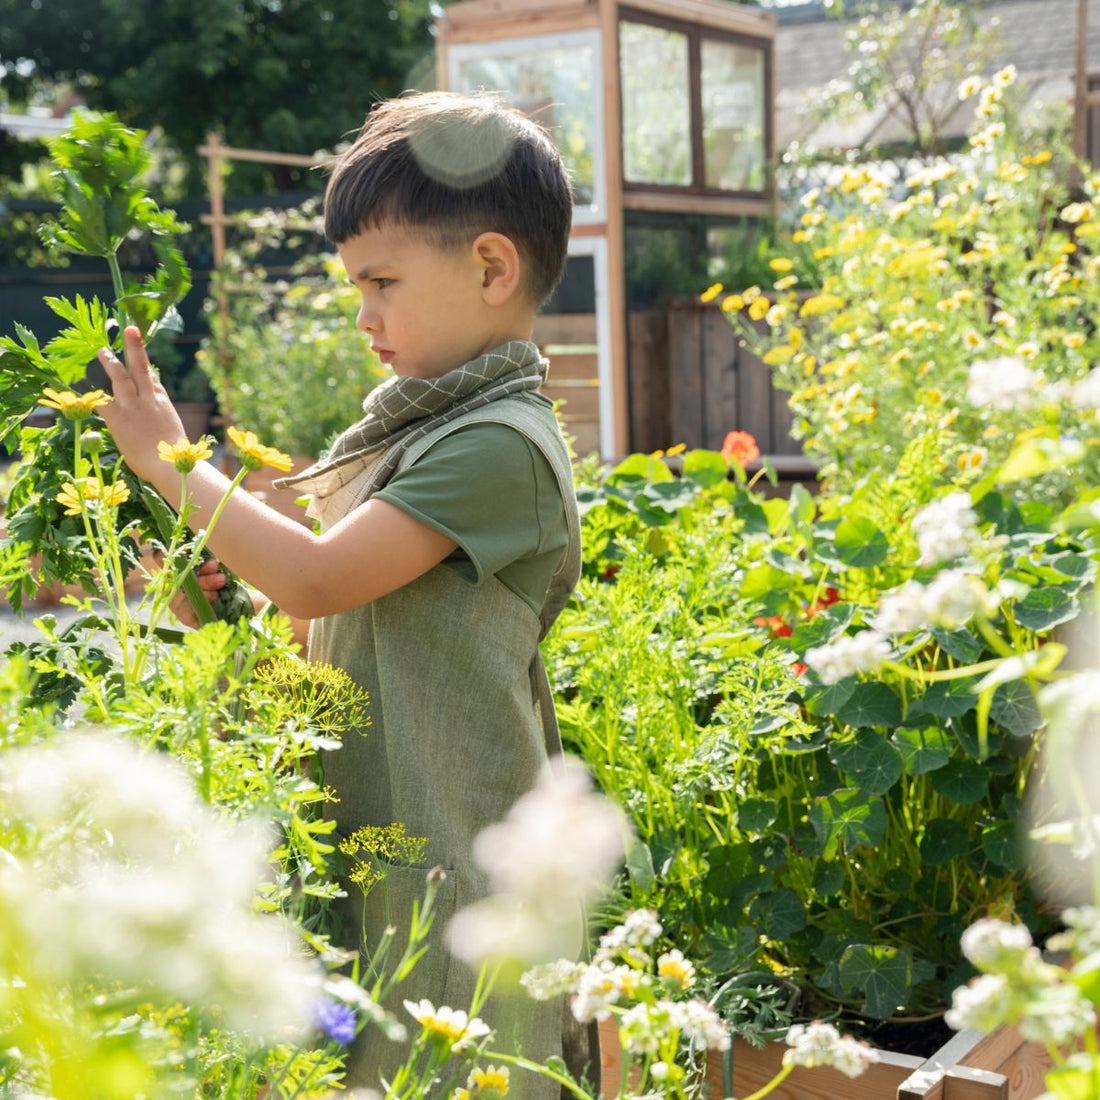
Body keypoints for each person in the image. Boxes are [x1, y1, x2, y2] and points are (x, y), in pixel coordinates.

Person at [98, 91, 594, 1097]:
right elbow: (316, 625)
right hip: (375, 842)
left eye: (382, 280)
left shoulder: (498, 444)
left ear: (491, 267)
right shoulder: (413, 437)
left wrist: (171, 466)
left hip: (459, 866)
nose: (363, 313)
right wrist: (212, 602)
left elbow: (316, 573)